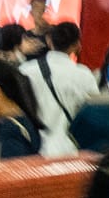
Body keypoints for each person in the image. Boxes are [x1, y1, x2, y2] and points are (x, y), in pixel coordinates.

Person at [23, 21, 100, 156]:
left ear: (49, 41)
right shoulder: (84, 75)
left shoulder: (26, 70)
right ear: (76, 45)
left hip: (32, 150)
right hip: (69, 151)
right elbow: (94, 114)